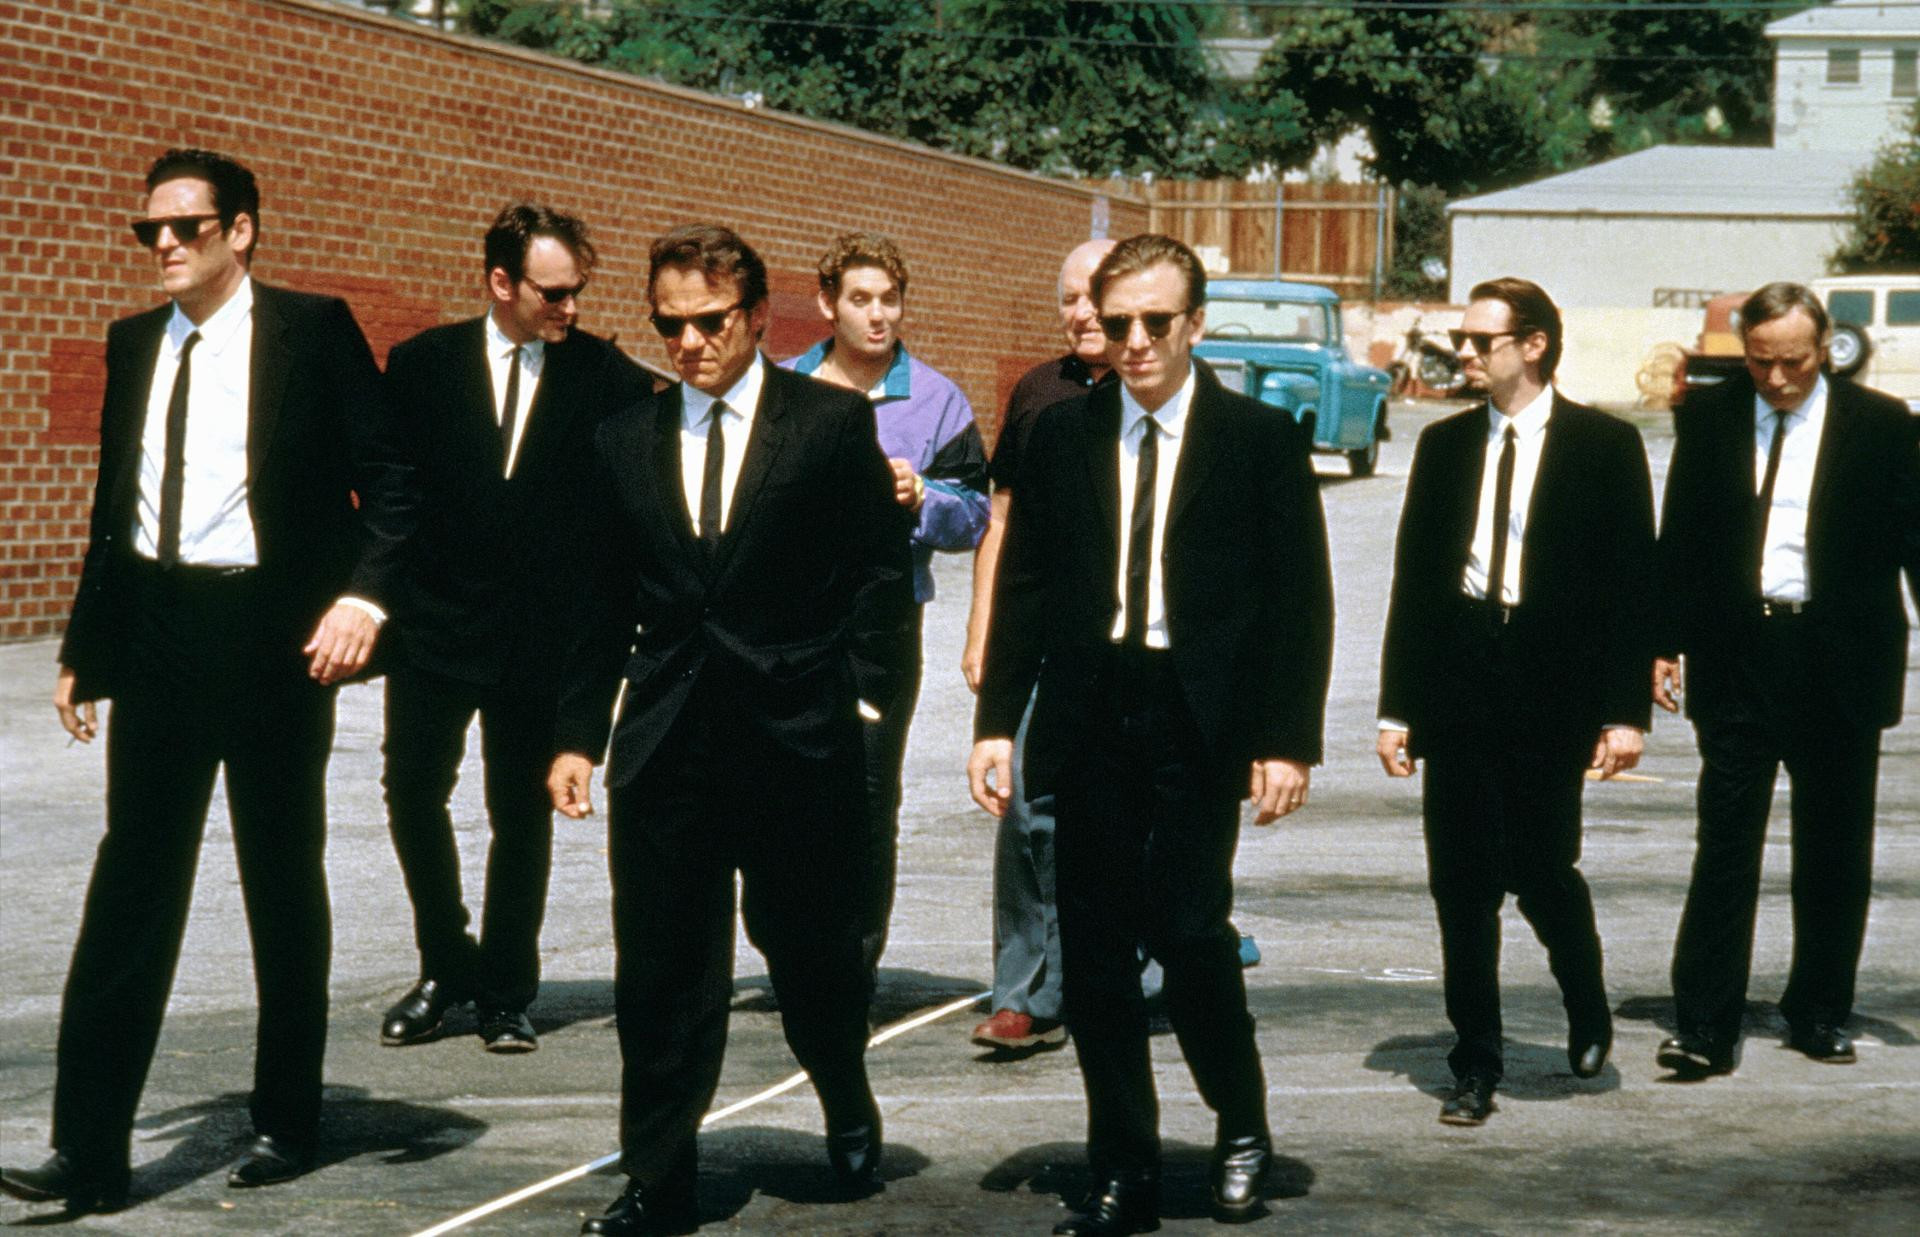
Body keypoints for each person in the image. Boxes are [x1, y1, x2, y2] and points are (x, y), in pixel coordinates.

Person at [0, 148, 394, 1213]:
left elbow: (395, 479)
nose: (164, 245)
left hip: (273, 636)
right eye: (150, 230)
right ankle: (89, 1149)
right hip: (161, 634)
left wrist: (362, 600)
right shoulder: (136, 342)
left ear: (242, 231)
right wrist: (88, 645)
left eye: (186, 227)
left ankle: (287, 1118)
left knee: (280, 874)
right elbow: (116, 506)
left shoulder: (312, 330)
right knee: (131, 880)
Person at [548, 224, 913, 1236]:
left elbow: (879, 578)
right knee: (661, 972)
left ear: (755, 317)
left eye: (709, 321)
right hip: (668, 744)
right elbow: (596, 602)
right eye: (669, 325)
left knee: (812, 955)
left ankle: (842, 1084)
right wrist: (577, 736)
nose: (689, 343)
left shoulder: (828, 425)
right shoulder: (624, 439)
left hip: (799, 740)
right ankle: (659, 1178)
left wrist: (866, 702)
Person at [969, 233, 1333, 1234]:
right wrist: (996, 725)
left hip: (1194, 719)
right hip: (1090, 712)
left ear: (1195, 323)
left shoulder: (1257, 439)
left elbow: (1299, 601)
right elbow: (1027, 590)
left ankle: (1241, 1125)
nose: (1134, 341)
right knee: (1091, 953)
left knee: (1186, 930)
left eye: (1155, 322)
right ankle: (1123, 1163)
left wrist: (1287, 741)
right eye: (1117, 320)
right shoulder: (1062, 433)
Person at [1376, 277, 1655, 1127]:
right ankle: (1476, 1060)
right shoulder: (1445, 445)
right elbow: (1415, 581)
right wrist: (1397, 708)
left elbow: (1630, 588)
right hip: (1460, 678)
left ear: (1533, 345)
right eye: (1461, 339)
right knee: (1460, 883)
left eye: (1480, 340)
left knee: (1540, 868)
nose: (1463, 353)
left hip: (1551, 685)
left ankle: (1585, 995)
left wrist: (1625, 712)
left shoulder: (1605, 445)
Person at [372, 204, 650, 1054]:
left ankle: (504, 990)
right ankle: (444, 962)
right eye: (553, 292)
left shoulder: (608, 380)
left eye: (577, 291)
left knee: (520, 815)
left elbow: (613, 539)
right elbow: (395, 495)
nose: (571, 307)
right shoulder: (422, 365)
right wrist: (374, 601)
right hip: (434, 631)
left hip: (540, 642)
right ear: (501, 281)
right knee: (411, 792)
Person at [1653, 281, 1920, 1078]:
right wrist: (1662, 642)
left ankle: (1819, 1010)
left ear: (1826, 348)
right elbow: (1682, 535)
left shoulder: (1883, 425)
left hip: (1842, 659)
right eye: (1760, 361)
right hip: (1739, 656)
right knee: (1726, 842)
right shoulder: (1710, 417)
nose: (1776, 378)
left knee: (1835, 847)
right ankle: (1704, 1025)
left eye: (1793, 362)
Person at [783, 231, 988, 976]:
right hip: (783, 626)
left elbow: (975, 516)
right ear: (827, 304)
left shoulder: (938, 400)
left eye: (890, 300)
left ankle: (853, 966)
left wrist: (922, 495)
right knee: (785, 794)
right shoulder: (782, 385)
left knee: (868, 793)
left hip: (883, 625)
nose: (878, 315)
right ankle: (795, 952)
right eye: (861, 299)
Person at [961, 237, 1113, 1054]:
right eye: (1069, 298)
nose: (1082, 313)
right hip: (1047, 641)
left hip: (1135, 646)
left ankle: (1135, 965)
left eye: (1097, 295)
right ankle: (1025, 989)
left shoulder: (1169, 390)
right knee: (1025, 806)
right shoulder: (1037, 392)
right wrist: (983, 629)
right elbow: (1003, 520)